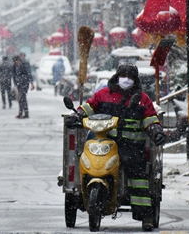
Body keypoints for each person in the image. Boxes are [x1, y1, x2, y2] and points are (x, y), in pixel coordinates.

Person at [65, 64, 167, 229]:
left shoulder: (142, 99)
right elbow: (89, 107)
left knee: (137, 173)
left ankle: (145, 215)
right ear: (116, 77)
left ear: (135, 80)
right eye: (123, 75)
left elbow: (150, 119)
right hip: (105, 142)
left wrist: (156, 132)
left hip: (131, 146)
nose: (126, 79)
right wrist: (76, 115)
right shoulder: (103, 94)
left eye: (130, 76)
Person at [13, 54, 34, 118]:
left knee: (22, 98)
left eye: (16, 62)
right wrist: (16, 84)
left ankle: (23, 113)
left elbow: (29, 74)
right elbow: (15, 75)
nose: (16, 63)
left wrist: (31, 83)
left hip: (24, 84)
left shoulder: (24, 65)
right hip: (20, 84)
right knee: (22, 99)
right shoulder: (16, 67)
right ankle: (23, 113)